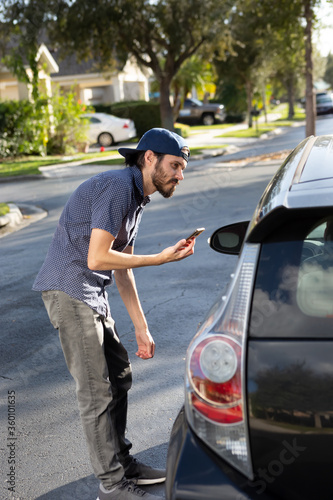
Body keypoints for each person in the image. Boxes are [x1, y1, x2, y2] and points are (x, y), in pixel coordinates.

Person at [33, 128, 195, 500]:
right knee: (95, 393)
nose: (180, 176)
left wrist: (141, 327)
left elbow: (121, 266)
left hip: (91, 294)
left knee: (119, 377)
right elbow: (97, 257)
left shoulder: (136, 198)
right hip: (70, 290)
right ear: (149, 158)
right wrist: (159, 257)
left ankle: (123, 463)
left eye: (183, 168)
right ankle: (111, 485)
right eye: (175, 166)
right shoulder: (118, 186)